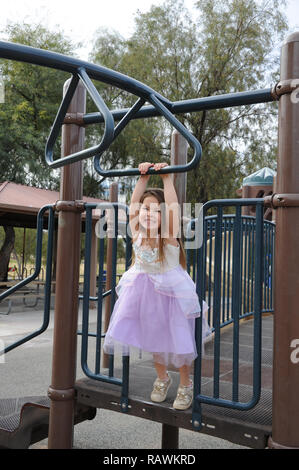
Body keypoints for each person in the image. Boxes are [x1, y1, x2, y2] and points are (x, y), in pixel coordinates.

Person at [103, 161, 211, 410]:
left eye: (155, 210)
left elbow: (173, 208)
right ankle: (162, 378)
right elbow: (132, 206)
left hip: (171, 296)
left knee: (179, 341)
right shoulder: (137, 232)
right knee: (154, 340)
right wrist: (142, 179)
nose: (148, 213)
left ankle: (185, 384)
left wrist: (166, 179)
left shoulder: (169, 235)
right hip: (143, 293)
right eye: (145, 209)